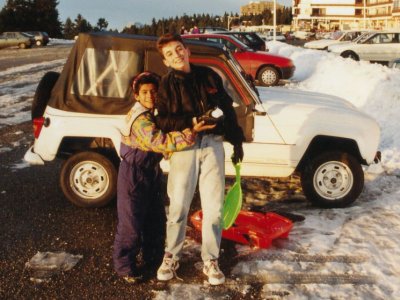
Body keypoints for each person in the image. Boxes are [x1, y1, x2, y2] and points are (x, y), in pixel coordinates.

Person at [155, 34, 245, 285]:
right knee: (178, 206)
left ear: (187, 50)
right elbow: (163, 122)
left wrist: (236, 141)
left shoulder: (208, 75)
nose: (177, 55)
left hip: (213, 145)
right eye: (170, 53)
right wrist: (191, 123)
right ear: (165, 60)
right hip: (186, 148)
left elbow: (227, 108)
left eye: (179, 49)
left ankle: (211, 259)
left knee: (214, 208)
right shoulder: (166, 84)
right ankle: (171, 255)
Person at [112, 71, 214, 283]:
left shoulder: (152, 112)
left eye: (154, 92)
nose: (150, 96)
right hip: (133, 173)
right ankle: (125, 268)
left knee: (155, 220)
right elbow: (162, 142)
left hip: (151, 171)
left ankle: (153, 258)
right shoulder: (141, 118)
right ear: (136, 95)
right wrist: (191, 131)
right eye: (145, 92)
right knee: (131, 224)